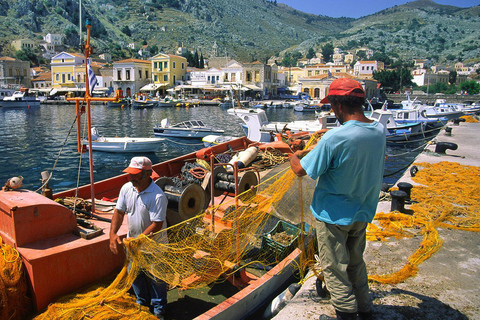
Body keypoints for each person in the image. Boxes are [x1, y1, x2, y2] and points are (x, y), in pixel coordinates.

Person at [290, 78, 386, 320]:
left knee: (334, 267)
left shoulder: (335, 138)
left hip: (332, 216)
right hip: (362, 212)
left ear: (339, 106)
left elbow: (301, 171)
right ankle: (365, 310)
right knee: (355, 263)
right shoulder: (378, 131)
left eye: (332, 106)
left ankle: (345, 314)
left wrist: (294, 154)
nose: (333, 111)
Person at [109, 156, 168, 319]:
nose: (131, 177)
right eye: (130, 174)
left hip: (155, 247)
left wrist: (138, 240)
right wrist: (112, 234)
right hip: (134, 245)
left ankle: (159, 310)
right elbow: (119, 212)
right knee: (135, 275)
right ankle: (142, 303)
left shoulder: (157, 196)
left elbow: (156, 224)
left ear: (148, 173)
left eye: (136, 174)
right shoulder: (126, 188)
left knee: (157, 279)